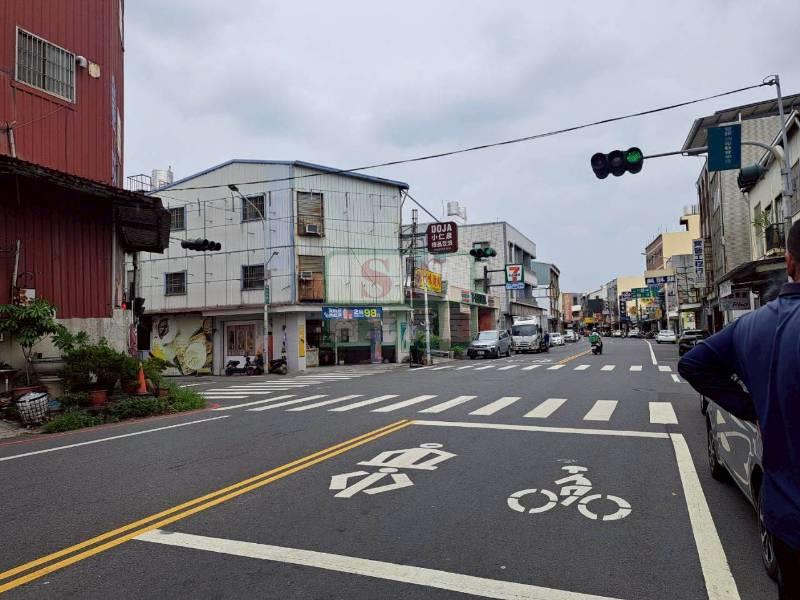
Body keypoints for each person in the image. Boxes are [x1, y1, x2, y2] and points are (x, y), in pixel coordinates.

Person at [678, 220, 800, 599]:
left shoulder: (754, 326)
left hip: (790, 518)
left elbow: (693, 364)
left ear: (789, 261)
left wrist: (752, 408)